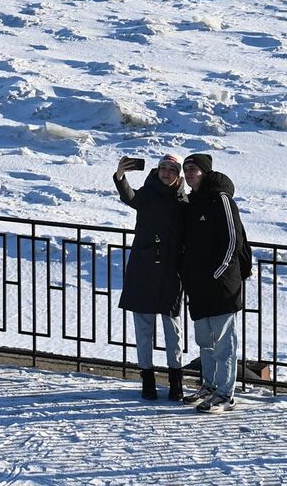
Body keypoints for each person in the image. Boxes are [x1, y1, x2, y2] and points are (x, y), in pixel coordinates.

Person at [178, 152, 250, 414]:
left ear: (205, 172)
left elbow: (233, 239)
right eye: (186, 169)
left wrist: (219, 272)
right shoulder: (192, 201)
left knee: (224, 341)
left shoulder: (221, 199)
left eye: (193, 169)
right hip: (198, 285)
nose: (189, 174)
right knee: (204, 340)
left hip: (221, 285)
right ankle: (208, 386)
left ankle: (225, 393)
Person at [113, 153, 187, 401]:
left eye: (172, 169)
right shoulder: (147, 193)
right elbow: (129, 197)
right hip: (143, 268)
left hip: (171, 272)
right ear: (156, 171)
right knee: (143, 328)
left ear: (179, 175)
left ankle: (176, 379)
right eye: (163, 168)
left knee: (173, 329)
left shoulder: (184, 201)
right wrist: (120, 176)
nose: (166, 172)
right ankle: (148, 378)